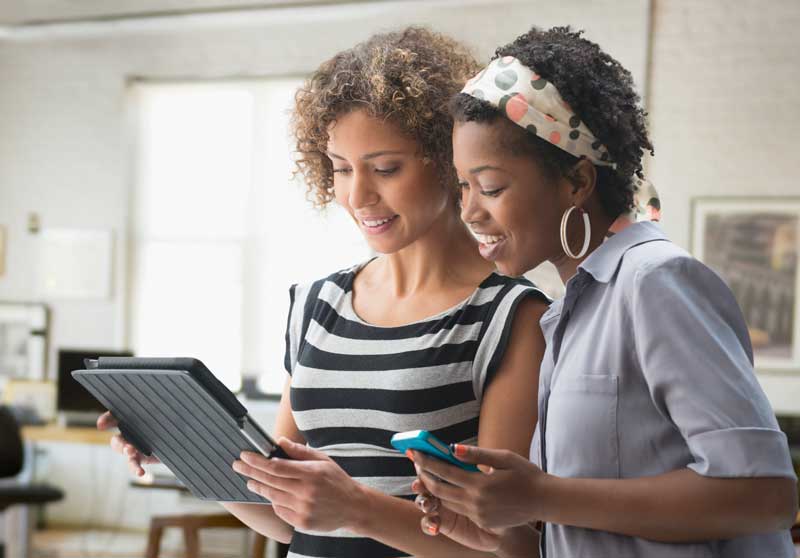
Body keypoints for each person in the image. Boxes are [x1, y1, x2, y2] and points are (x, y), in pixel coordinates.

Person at [99, 27, 550, 558]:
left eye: (385, 168)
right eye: (340, 169)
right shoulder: (317, 306)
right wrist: (180, 446)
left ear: (450, 158)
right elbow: (288, 519)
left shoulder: (510, 316)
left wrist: (357, 507)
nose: (358, 195)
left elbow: (505, 548)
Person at [410, 26, 799, 557]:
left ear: (577, 181)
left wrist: (543, 495)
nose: (471, 211)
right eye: (464, 187)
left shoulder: (656, 280)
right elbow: (586, 522)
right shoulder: (567, 311)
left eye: (492, 186)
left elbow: (765, 496)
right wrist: (494, 524)